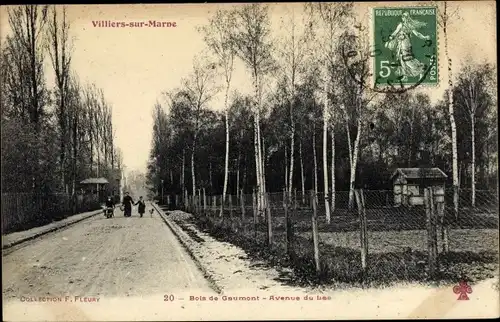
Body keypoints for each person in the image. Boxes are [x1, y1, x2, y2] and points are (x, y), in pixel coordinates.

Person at [384, 11, 431, 81]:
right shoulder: (400, 25)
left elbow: (417, 34)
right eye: (403, 17)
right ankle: (405, 76)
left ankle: (421, 70)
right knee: (401, 59)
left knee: (407, 59)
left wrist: (424, 37)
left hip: (406, 44)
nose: (404, 18)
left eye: (405, 17)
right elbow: (396, 32)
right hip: (400, 44)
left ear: (408, 18)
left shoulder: (410, 26)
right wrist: (391, 36)